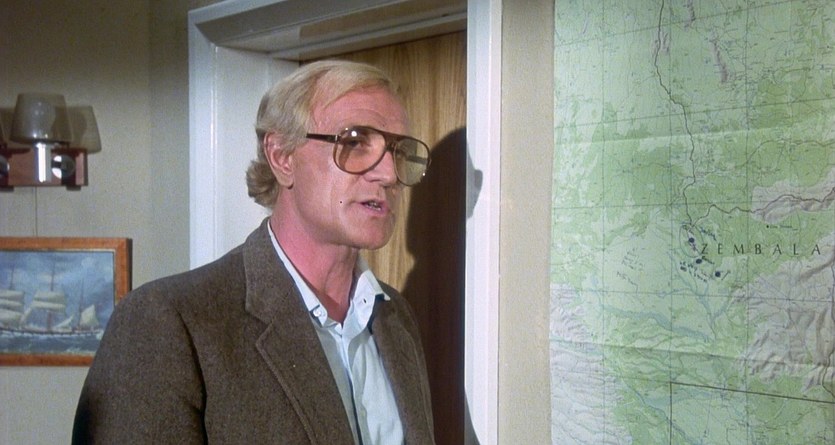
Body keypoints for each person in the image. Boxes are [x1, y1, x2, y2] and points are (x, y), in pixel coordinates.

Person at [72, 60, 435, 444]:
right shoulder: (170, 321)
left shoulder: (394, 317)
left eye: (398, 151)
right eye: (355, 142)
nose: (389, 175)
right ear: (281, 157)